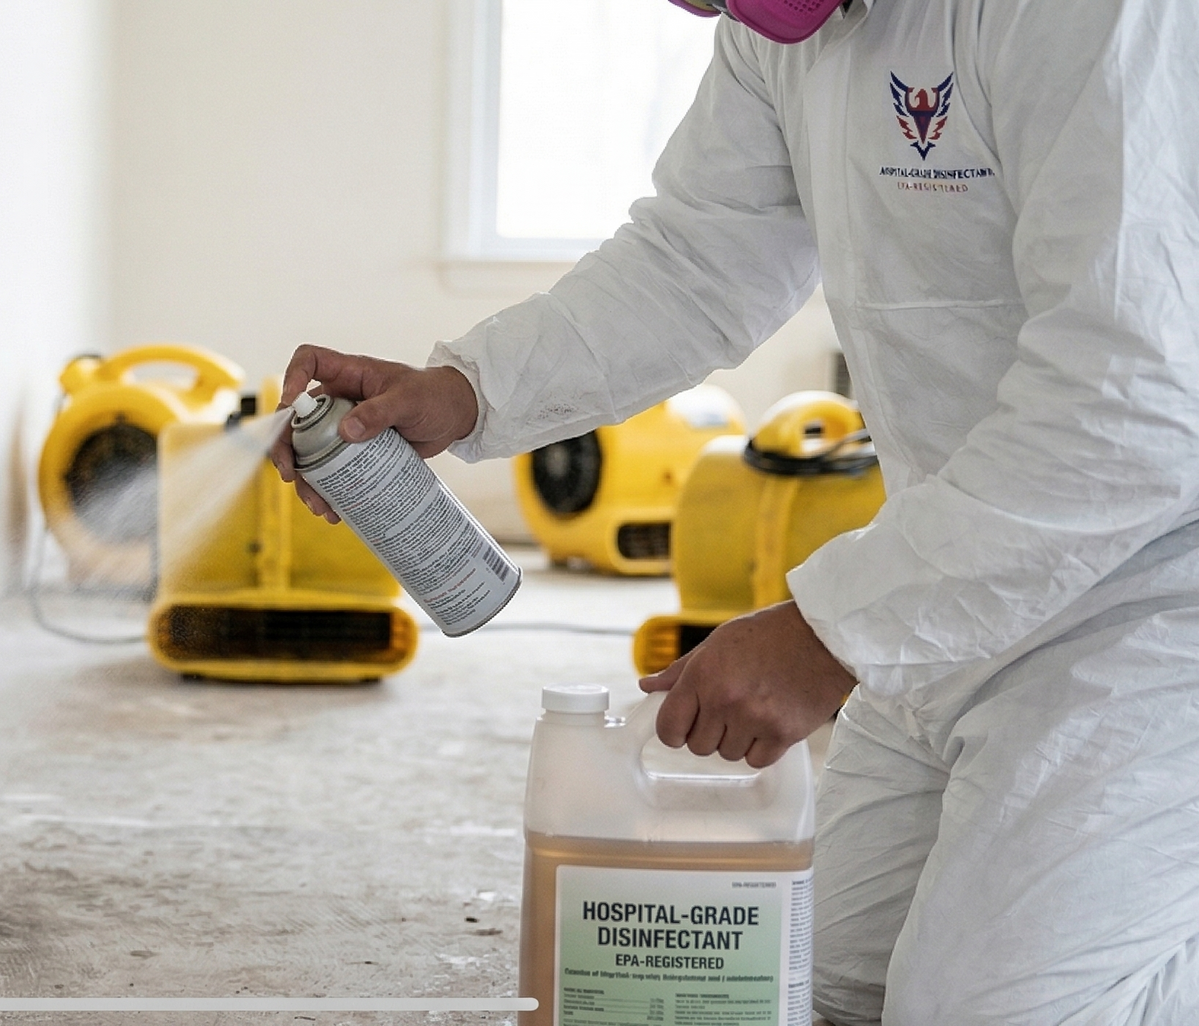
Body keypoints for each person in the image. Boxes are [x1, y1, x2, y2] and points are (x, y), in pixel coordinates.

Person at [271, 0, 1199, 1021]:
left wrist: (828, 634)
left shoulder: (1096, 19)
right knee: (808, 978)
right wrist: (468, 391)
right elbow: (692, 263)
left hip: (1154, 609)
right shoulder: (775, 34)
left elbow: (1131, 406)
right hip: (964, 587)